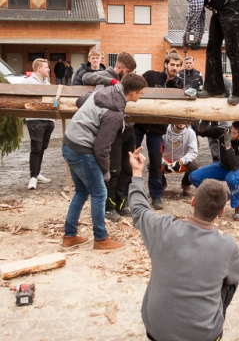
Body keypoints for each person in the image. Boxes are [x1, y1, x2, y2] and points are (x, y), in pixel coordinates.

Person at [128, 148, 239, 341]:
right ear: (222, 211)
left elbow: (139, 209)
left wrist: (137, 172)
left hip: (157, 330)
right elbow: (235, 276)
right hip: (204, 330)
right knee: (229, 282)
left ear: (192, 201)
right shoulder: (227, 245)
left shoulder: (163, 229)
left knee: (164, 277)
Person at [61, 72, 147, 251]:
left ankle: (69, 236)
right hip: (81, 150)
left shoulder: (104, 92)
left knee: (82, 193)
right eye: (141, 93)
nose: (142, 96)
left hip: (69, 143)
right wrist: (106, 172)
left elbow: (80, 101)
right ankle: (101, 239)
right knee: (100, 193)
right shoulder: (114, 113)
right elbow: (102, 148)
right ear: (132, 93)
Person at [158, 0, 239, 105]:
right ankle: (214, 88)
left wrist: (187, 33)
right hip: (220, 10)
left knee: (232, 49)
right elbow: (200, 14)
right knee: (212, 47)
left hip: (233, 6)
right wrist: (198, 37)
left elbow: (196, 7)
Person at [82, 52, 137, 221]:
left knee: (128, 168)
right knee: (114, 169)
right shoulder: (105, 75)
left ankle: (121, 203)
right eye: (127, 72)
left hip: (128, 128)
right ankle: (108, 207)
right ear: (119, 67)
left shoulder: (129, 78)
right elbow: (85, 78)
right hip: (112, 129)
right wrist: (112, 81)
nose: (130, 76)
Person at [135, 49, 183, 210]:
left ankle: (156, 196)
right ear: (165, 64)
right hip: (139, 124)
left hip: (157, 128)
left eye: (177, 65)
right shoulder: (150, 76)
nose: (174, 68)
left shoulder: (179, 85)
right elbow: (135, 88)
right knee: (131, 158)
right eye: (172, 64)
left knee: (156, 162)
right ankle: (129, 193)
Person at [189, 121, 239, 220]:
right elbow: (204, 132)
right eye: (230, 129)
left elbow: (235, 166)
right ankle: (218, 199)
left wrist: (228, 146)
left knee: (232, 178)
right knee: (194, 177)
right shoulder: (225, 132)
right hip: (223, 166)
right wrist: (202, 125)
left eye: (233, 132)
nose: (229, 133)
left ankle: (238, 205)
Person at [23, 59, 55, 190]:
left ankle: (37, 173)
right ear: (39, 69)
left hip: (48, 120)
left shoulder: (47, 83)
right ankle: (33, 177)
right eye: (46, 67)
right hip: (35, 120)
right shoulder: (28, 82)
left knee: (42, 148)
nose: (48, 69)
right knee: (36, 148)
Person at [161, 123, 200, 197]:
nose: (182, 123)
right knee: (152, 164)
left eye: (185, 121)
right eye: (179, 120)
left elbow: (193, 152)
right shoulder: (164, 131)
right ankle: (161, 184)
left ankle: (186, 185)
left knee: (195, 164)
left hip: (181, 162)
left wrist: (181, 161)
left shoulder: (190, 132)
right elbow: (156, 151)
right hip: (166, 161)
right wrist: (164, 163)